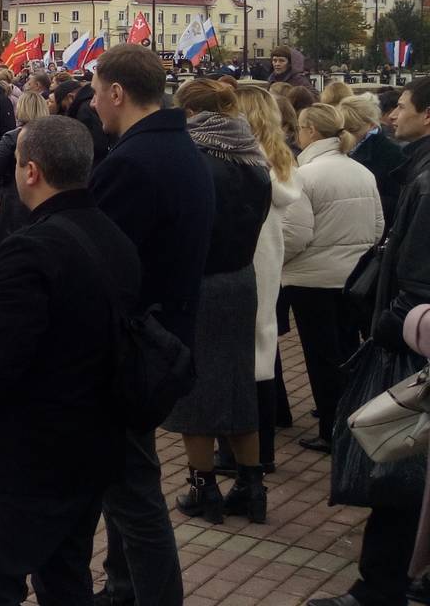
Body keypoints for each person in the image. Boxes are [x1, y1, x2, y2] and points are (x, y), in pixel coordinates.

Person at [0, 116, 140, 605]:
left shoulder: (30, 250)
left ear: (31, 171)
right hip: (93, 443)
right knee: (65, 576)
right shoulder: (114, 237)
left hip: (29, 454)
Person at [88, 43, 213, 606]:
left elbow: (105, 264)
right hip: (164, 336)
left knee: (134, 492)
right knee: (125, 479)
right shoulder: (179, 146)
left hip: (134, 348)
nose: (91, 103)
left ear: (117, 93)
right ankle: (122, 584)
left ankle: (150, 594)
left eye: (94, 92)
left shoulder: (134, 162)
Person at [309, 77, 430, 606]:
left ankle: (379, 588)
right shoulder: (415, 170)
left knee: (400, 468)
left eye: (402, 106)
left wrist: (389, 325)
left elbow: (418, 279)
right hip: (409, 333)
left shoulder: (425, 181)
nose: (392, 114)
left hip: (412, 345)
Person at [162, 80, 272, 525]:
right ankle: (251, 484)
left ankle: (203, 486)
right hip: (242, 279)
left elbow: (180, 229)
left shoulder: (196, 161)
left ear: (190, 114)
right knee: (238, 383)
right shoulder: (254, 161)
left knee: (196, 390)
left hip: (202, 282)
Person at [284, 102, 383, 452]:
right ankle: (351, 420)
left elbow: (294, 236)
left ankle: (331, 429)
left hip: (312, 281)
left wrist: (278, 261)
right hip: (353, 279)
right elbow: (377, 227)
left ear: (310, 131)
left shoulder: (305, 174)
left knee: (322, 360)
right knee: (347, 353)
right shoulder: (361, 171)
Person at [235, 85, 311, 471]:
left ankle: (251, 454)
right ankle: (261, 453)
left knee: (245, 358)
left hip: (248, 260)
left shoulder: (249, 165)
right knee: (263, 355)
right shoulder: (281, 160)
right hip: (268, 261)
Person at [0, 91, 49, 249]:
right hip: (46, 195)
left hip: (15, 194)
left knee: (11, 244)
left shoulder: (12, 137)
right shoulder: (52, 137)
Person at [341, 92, 405, 235]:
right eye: (342, 130)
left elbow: (397, 201)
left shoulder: (391, 153)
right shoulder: (339, 146)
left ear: (370, 124)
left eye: (353, 129)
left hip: (371, 230)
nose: (347, 135)